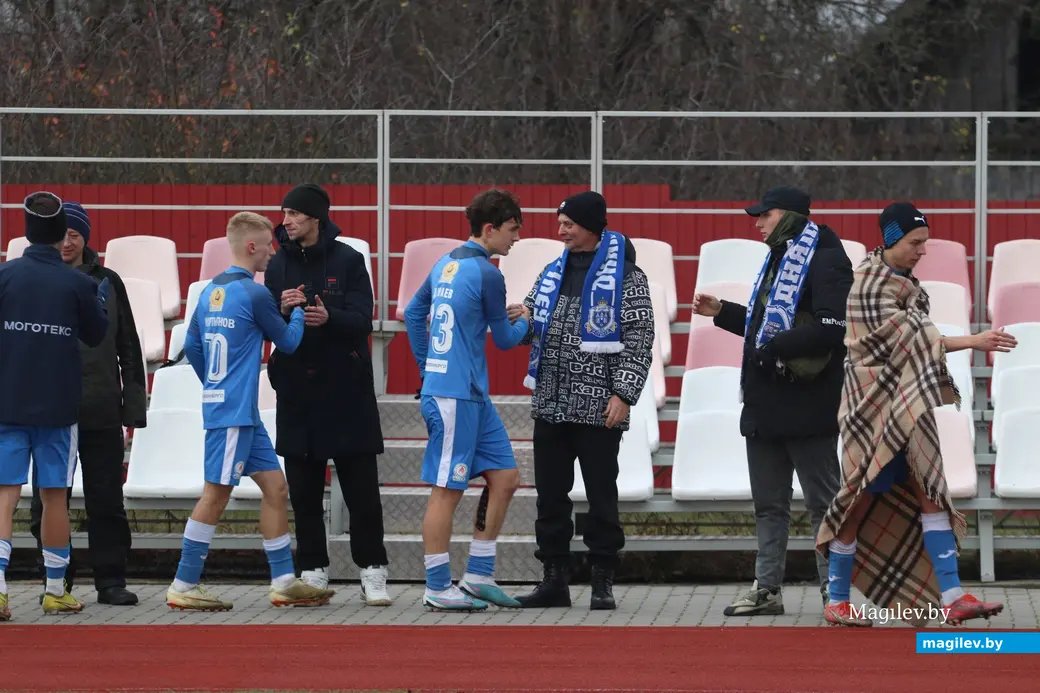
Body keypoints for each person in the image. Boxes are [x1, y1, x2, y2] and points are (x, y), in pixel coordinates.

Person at [818, 201, 1013, 627]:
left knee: (929, 489)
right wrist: (974, 340)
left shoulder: (904, 283)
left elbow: (915, 341)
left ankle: (953, 596)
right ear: (891, 239)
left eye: (924, 242)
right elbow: (913, 340)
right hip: (870, 408)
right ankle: (837, 599)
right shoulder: (868, 285)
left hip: (908, 406)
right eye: (915, 242)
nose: (922, 250)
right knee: (858, 498)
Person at [692, 185, 852, 617]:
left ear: (789, 216)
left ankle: (835, 592)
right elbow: (765, 326)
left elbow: (832, 328)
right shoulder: (780, 257)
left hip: (809, 406)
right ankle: (767, 590)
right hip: (765, 402)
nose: (758, 223)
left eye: (765, 215)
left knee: (824, 505)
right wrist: (723, 311)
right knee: (768, 506)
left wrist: (776, 347)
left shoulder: (827, 258)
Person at [166, 211, 335, 611]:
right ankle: (183, 584)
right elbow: (289, 342)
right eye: (268, 247)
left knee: (276, 488)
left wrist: (215, 385)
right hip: (234, 413)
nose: (273, 253)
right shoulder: (255, 294)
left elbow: (193, 346)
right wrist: (297, 311)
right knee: (216, 493)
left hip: (239, 411)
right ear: (252, 246)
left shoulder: (210, 290)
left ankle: (283, 582)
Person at [510, 190, 655, 611]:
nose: (561, 230)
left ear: (591, 226)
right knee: (550, 498)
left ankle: (602, 581)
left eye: (569, 224)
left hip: (599, 408)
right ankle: (554, 581)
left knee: (601, 498)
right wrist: (522, 318)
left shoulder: (627, 276)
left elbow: (640, 339)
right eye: (560, 223)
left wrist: (624, 394)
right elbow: (534, 325)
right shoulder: (551, 271)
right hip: (551, 403)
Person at [403, 187, 531, 611]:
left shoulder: (445, 262)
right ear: (490, 229)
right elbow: (508, 340)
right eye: (512, 229)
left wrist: (427, 367)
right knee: (447, 491)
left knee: (505, 477)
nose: (516, 238)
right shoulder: (488, 273)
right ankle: (438, 586)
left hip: (469, 393)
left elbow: (414, 314)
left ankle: (477, 575)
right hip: (455, 397)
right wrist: (529, 320)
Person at [264, 183, 392, 606]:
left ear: (316, 218)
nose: (286, 221)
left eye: (294, 214)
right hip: (297, 389)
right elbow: (266, 322)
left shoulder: (349, 260)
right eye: (284, 213)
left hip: (346, 389)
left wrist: (329, 316)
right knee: (303, 491)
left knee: (361, 492)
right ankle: (313, 570)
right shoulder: (277, 263)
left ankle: (372, 570)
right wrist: (283, 309)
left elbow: (363, 319)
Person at [27, 202, 147, 607]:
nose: (67, 242)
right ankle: (55, 579)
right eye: (62, 234)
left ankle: (111, 580)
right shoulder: (38, 280)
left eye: (75, 235)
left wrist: (133, 409)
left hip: (101, 410)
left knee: (107, 501)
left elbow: (128, 345)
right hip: (51, 413)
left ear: (86, 238)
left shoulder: (109, 282)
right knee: (47, 501)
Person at [0, 191, 111, 619]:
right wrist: (98, 302)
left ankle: (0, 589)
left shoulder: (4, 276)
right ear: (60, 232)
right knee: (53, 497)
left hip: (7, 403)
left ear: (27, 231)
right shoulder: (79, 283)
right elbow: (96, 335)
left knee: (5, 495)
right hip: (58, 408)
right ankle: (54, 590)